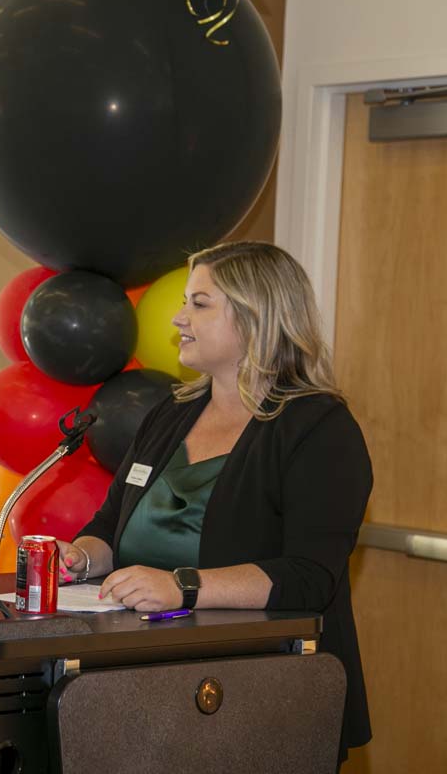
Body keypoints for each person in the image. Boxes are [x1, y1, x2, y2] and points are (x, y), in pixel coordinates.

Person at [57, 240, 372, 765]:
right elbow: (110, 527)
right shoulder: (170, 414)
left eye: (200, 304)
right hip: (141, 692)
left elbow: (310, 577)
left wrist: (181, 588)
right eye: (185, 301)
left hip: (262, 697)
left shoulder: (319, 428)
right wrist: (83, 556)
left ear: (257, 318)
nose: (179, 318)